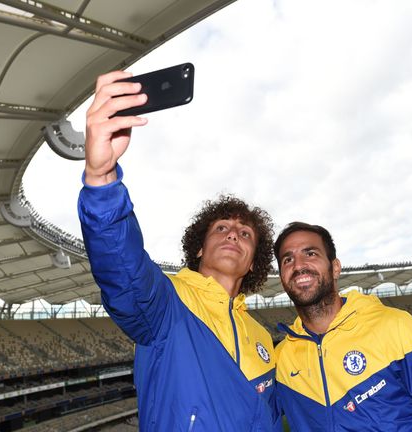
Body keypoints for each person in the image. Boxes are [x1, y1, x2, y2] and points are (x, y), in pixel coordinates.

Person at [78, 70, 280, 431]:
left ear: (252, 264)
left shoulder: (262, 337)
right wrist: (102, 177)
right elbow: (123, 268)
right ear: (199, 249)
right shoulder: (168, 303)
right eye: (222, 228)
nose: (233, 235)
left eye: (245, 233)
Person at [273, 222, 412, 431]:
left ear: (335, 268)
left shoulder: (394, 325)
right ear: (282, 277)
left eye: (310, 254)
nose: (298, 265)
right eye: (288, 259)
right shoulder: (281, 359)